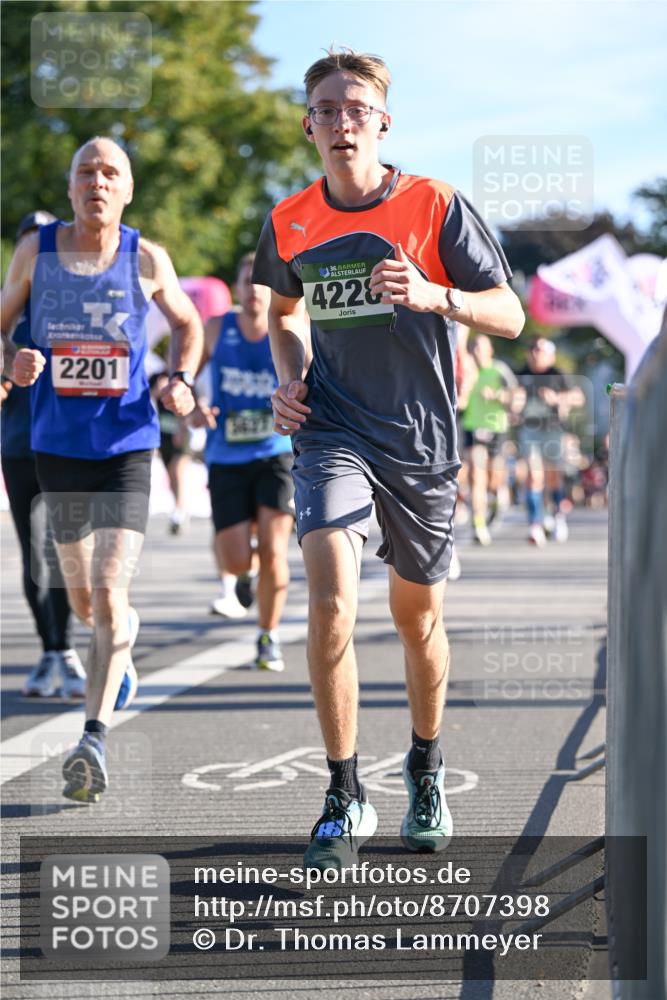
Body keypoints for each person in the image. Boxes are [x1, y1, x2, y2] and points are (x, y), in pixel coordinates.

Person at [253, 48, 524, 870]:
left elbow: (509, 314)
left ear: (382, 122)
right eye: (326, 109)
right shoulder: (289, 218)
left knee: (418, 620)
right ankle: (342, 792)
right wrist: (291, 378)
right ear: (309, 125)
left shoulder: (433, 204)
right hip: (333, 430)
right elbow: (282, 310)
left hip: (422, 443)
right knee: (330, 601)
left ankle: (424, 765)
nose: (341, 122)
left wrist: (435, 294)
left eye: (356, 108)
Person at [1, 137, 202, 802]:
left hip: (126, 446)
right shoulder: (38, 251)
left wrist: (179, 377)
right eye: (85, 170)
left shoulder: (147, 257)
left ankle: (92, 736)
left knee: (110, 594)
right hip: (56, 446)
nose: (97, 180)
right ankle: (121, 648)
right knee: (86, 601)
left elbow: (187, 322)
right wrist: (12, 361)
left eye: (110, 171)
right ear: (70, 188)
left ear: (127, 188)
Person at [193, 252, 296, 671]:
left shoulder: (290, 325)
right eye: (246, 279)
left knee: (274, 550)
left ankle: (268, 635)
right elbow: (185, 376)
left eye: (261, 281)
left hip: (276, 452)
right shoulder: (217, 328)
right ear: (236, 288)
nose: (253, 288)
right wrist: (194, 403)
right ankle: (244, 576)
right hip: (226, 454)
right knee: (235, 558)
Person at [1, 211, 86, 699]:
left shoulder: (75, 300)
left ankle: (68, 648)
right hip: (17, 445)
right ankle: (50, 649)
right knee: (33, 553)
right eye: (28, 242)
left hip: (68, 444)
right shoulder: (5, 313)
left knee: (64, 552)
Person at [514, 337, 584, 546]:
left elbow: (578, 397)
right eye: (533, 348)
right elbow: (513, 397)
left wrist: (557, 398)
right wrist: (513, 405)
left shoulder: (557, 374)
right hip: (530, 430)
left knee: (553, 477)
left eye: (541, 350)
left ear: (550, 355)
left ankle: (556, 515)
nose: (536, 353)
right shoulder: (521, 373)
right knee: (534, 476)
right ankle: (535, 524)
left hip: (553, 431)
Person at [462, 334, 516, 545]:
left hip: (496, 427)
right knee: (477, 474)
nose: (477, 351)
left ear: (490, 351)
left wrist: (496, 396)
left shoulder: (499, 370)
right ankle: (478, 522)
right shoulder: (467, 371)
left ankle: (495, 497)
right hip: (472, 427)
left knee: (494, 478)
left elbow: (515, 396)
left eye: (481, 348)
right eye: (474, 347)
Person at [148, 370, 192, 534]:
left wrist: (182, 428)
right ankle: (179, 506)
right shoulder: (155, 377)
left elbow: (188, 406)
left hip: (180, 435)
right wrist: (157, 391)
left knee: (177, 470)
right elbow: (146, 398)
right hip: (163, 437)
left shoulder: (182, 378)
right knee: (172, 476)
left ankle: (179, 512)